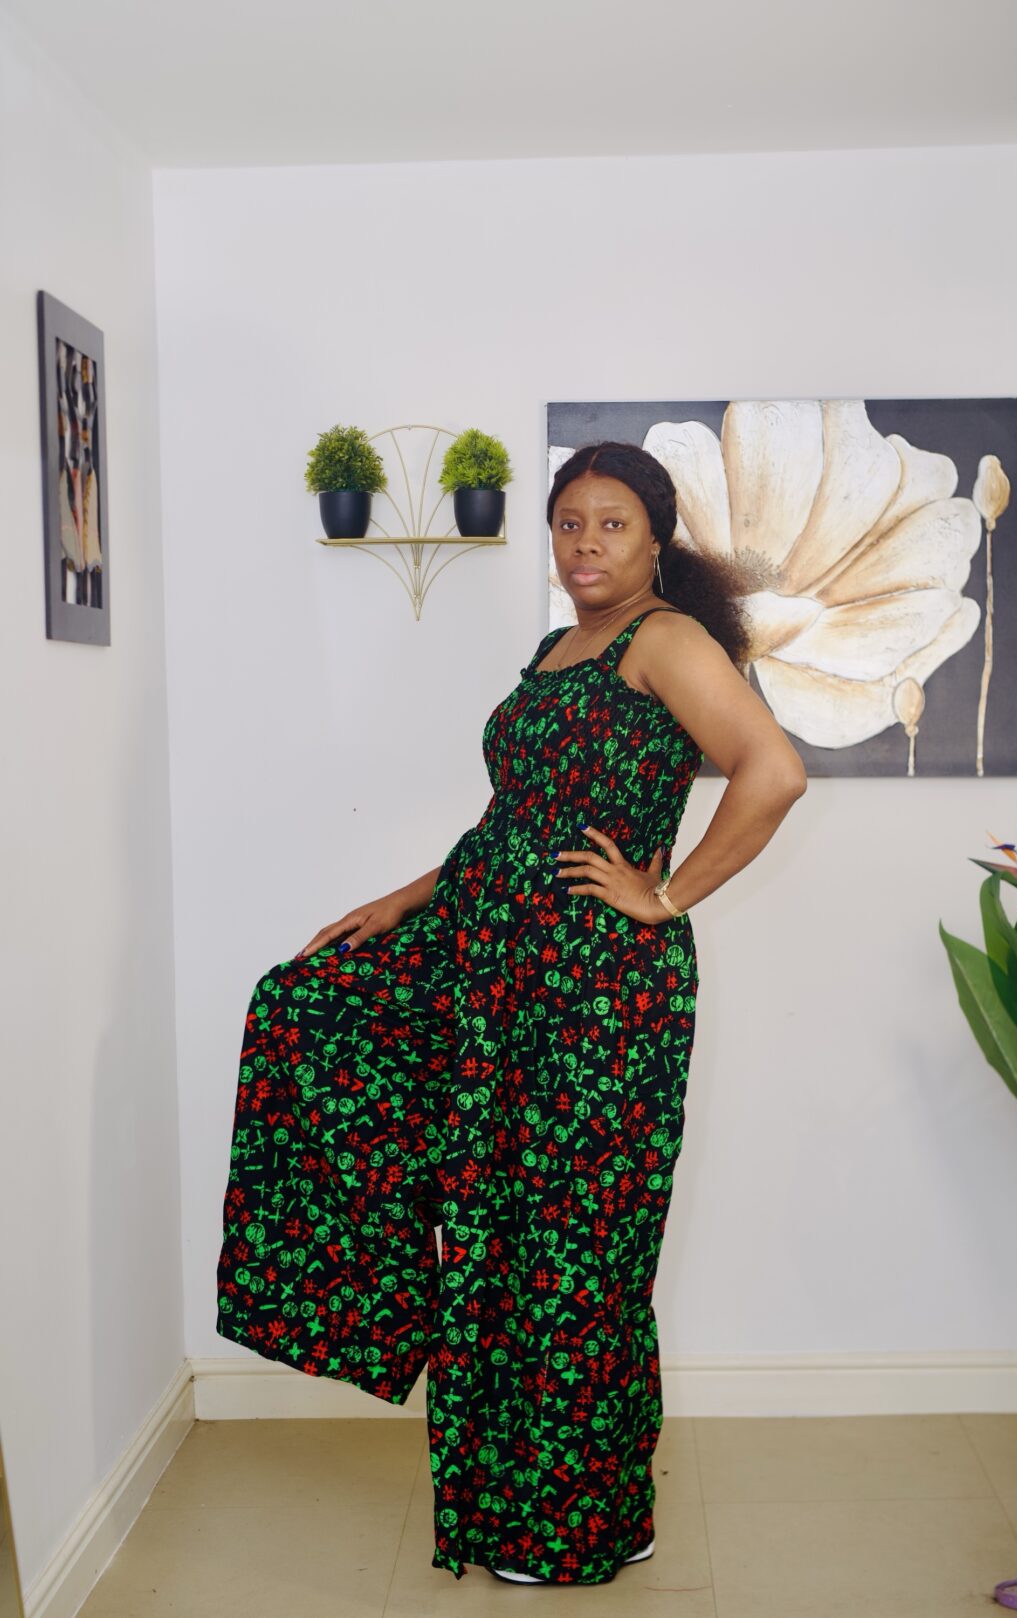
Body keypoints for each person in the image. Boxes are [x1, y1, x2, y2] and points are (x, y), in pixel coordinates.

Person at [215, 439, 807, 1585]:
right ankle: (527, 1503)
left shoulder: (665, 641)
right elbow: (513, 826)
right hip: (493, 976)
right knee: (482, 1218)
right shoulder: (558, 649)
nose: (586, 544)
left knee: (574, 1249)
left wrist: (667, 893)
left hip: (594, 996)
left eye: (612, 524)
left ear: (656, 539)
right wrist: (404, 899)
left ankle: (575, 1521)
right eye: (569, 523)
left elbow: (771, 770)